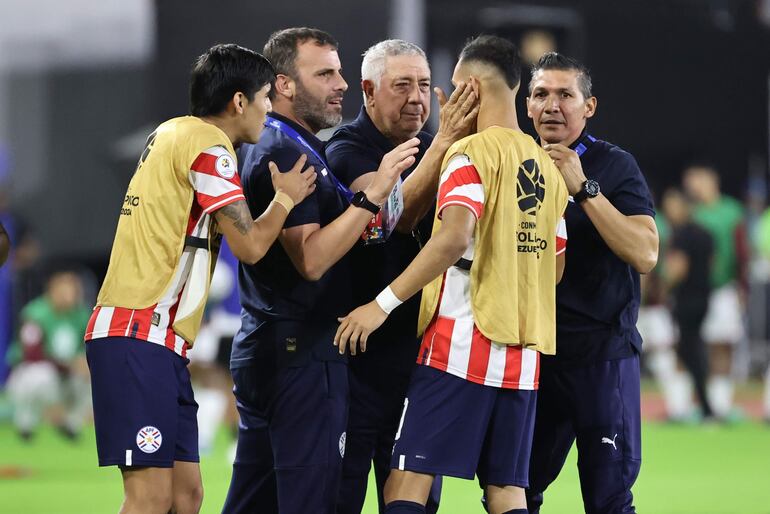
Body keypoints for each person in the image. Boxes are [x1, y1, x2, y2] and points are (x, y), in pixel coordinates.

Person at [336, 34, 569, 514]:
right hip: (524, 353)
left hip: (462, 339)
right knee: (506, 489)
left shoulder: (467, 156)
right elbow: (555, 265)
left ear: (471, 92)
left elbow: (451, 238)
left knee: (407, 479)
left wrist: (380, 306)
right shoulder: (546, 165)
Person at [84, 43, 316, 514]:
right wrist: (285, 200)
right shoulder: (210, 147)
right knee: (148, 499)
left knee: (186, 496)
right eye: (265, 96)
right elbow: (250, 247)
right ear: (238, 101)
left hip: (157, 340)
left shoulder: (171, 133)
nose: (269, 108)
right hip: (137, 332)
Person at [221, 28, 419, 514]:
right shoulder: (286, 152)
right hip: (300, 354)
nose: (342, 84)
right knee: (314, 502)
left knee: (254, 502)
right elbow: (311, 259)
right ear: (284, 85)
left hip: (270, 344)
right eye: (325, 73)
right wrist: (375, 193)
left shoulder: (278, 142)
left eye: (340, 71)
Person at [324, 39, 478, 514]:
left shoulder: (438, 147)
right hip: (356, 360)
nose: (417, 97)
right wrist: (446, 144)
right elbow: (393, 219)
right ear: (368, 91)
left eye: (425, 85)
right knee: (344, 497)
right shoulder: (345, 150)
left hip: (420, 360)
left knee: (416, 503)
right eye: (402, 85)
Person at [524, 52, 658, 514]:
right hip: (531, 354)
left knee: (608, 498)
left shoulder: (614, 166)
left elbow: (645, 253)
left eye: (565, 95)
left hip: (601, 355)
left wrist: (584, 189)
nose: (552, 105)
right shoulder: (511, 163)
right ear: (527, 105)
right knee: (512, 492)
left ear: (589, 107)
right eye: (541, 94)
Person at [682, 163, 747, 420]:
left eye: (696, 180)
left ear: (711, 180)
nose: (692, 185)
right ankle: (697, 404)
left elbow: (742, 252)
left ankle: (720, 404)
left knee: (723, 345)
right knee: (693, 346)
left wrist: (743, 287)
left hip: (723, 289)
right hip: (695, 292)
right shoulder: (693, 213)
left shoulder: (732, 211)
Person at [6, 270, 91, 440]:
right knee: (41, 374)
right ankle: (26, 423)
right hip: (27, 375)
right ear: (52, 291)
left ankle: (70, 424)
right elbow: (32, 354)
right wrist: (69, 364)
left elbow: (87, 349)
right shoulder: (36, 313)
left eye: (72, 291)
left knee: (92, 375)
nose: (68, 296)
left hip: (65, 376)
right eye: (63, 291)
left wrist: (85, 363)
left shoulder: (82, 315)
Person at [662, 188, 716, 420]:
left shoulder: (682, 234)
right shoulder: (706, 234)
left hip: (685, 299)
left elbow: (678, 269)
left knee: (688, 350)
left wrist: (663, 284)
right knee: (695, 349)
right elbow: (713, 265)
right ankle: (705, 405)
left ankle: (704, 406)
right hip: (704, 297)